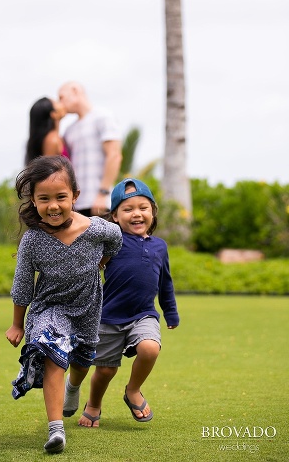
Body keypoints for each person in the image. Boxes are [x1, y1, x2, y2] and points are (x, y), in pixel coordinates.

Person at [6, 156, 123, 454]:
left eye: (60, 197)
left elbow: (116, 239)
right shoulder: (33, 240)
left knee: (82, 362)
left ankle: (74, 387)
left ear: (75, 196)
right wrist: (17, 324)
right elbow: (23, 283)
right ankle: (56, 429)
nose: (53, 206)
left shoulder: (97, 229)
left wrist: (101, 263)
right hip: (49, 308)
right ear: (34, 201)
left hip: (87, 308)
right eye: (44, 199)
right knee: (53, 355)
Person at [63, 178, 179, 428]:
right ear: (115, 216)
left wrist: (170, 312)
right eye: (128, 209)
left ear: (152, 212)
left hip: (143, 314)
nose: (136, 213)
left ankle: (133, 390)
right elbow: (89, 267)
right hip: (108, 317)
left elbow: (165, 283)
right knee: (105, 370)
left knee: (150, 348)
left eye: (143, 208)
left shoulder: (160, 247)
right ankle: (93, 405)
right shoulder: (112, 243)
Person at [58, 82, 122, 216]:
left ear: (75, 91)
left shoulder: (103, 116)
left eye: (61, 97)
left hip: (100, 202)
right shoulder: (69, 130)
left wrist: (102, 193)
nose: (60, 103)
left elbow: (114, 155)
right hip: (76, 204)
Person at [24, 97, 67, 164]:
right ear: (53, 114)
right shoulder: (52, 140)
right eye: (57, 102)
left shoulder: (55, 137)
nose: (62, 103)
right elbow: (50, 169)